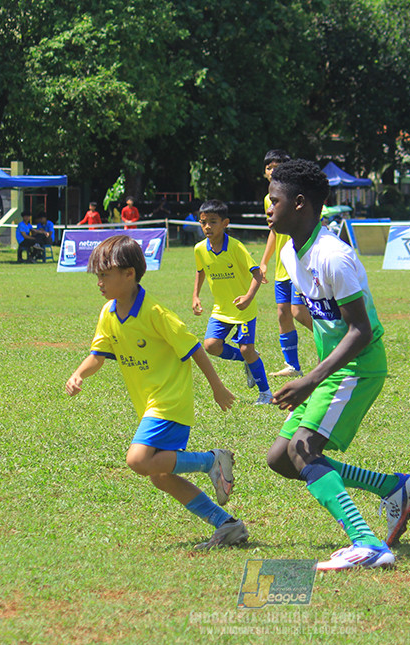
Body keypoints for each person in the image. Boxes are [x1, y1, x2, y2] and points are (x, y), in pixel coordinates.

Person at [264, 159, 410, 570]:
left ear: (299, 204)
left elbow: (360, 330)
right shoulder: (290, 250)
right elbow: (319, 315)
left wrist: (310, 380)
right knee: (281, 458)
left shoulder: (333, 256)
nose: (268, 207)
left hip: (358, 366)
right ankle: (391, 487)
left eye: (274, 200)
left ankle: (366, 543)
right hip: (336, 367)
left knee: (302, 449)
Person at [65, 235, 248, 550]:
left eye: (105, 275)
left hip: (169, 401)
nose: (99, 282)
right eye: (97, 276)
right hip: (150, 404)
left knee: (137, 460)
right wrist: (79, 374)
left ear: (129, 274)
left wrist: (218, 388)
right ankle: (227, 525)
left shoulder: (155, 312)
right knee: (160, 475)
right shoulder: (108, 314)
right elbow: (98, 355)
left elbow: (194, 348)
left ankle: (210, 461)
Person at [191, 199, 272, 405]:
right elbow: (200, 271)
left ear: (225, 222)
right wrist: (195, 296)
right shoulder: (199, 249)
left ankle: (266, 394)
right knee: (211, 346)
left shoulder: (236, 247)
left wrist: (248, 297)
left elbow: (257, 274)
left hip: (243, 308)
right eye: (203, 222)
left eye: (213, 222)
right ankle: (249, 360)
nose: (207, 227)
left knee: (247, 348)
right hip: (221, 308)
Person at [259, 149, 313, 378]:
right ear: (264, 172)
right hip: (282, 267)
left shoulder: (298, 196)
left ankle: (339, 343)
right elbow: (273, 232)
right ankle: (292, 365)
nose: (274, 170)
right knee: (283, 314)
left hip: (298, 262)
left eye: (279, 166)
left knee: (299, 312)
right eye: (270, 166)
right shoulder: (267, 199)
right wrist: (264, 262)